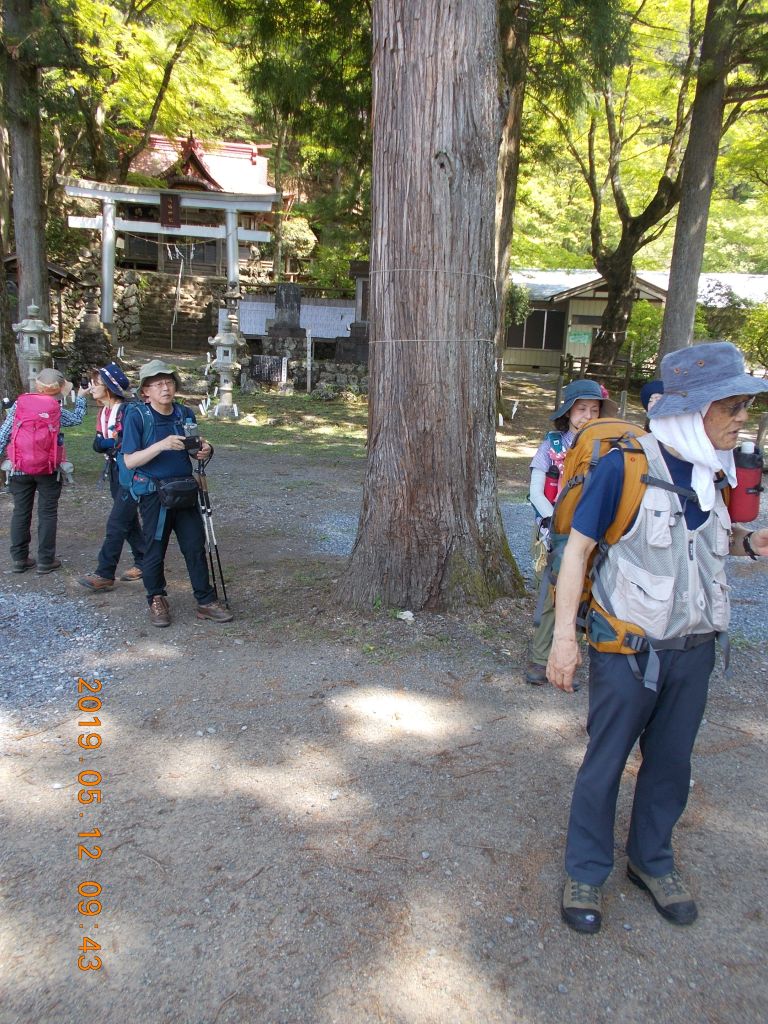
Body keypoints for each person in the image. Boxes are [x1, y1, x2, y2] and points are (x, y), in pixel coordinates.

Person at [548, 342, 768, 935]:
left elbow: (699, 548)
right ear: (693, 410)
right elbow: (579, 551)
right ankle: (585, 871)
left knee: (670, 764)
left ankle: (651, 861)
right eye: (734, 406)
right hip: (627, 651)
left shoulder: (713, 473)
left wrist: (749, 545)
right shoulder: (625, 464)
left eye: (745, 405)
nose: (744, 417)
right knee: (606, 761)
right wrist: (563, 640)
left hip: (694, 651)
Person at [121, 358, 233, 627]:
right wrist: (161, 445)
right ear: (145, 391)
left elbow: (194, 449)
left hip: (183, 490)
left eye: (169, 382)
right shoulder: (137, 416)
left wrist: (204, 450)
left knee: (195, 546)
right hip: (153, 494)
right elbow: (129, 461)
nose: (165, 388)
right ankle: (156, 598)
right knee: (154, 549)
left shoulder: (185, 414)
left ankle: (205, 601)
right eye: (157, 384)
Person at [525, 379, 617, 685]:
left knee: (583, 594)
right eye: (581, 409)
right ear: (568, 412)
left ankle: (569, 658)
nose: (587, 415)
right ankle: (540, 660)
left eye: (594, 409)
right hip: (554, 532)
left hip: (593, 535)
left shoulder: (608, 450)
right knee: (550, 595)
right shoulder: (552, 447)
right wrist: (555, 523)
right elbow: (537, 492)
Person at [0, 368, 88, 573]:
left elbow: (4, 434)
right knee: (47, 513)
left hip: (19, 468)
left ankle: (20, 559)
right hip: (48, 469)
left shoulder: (19, 405)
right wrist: (82, 398)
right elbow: (77, 419)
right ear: (58, 390)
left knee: (21, 512)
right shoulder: (55, 409)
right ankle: (46, 560)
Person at [78, 363, 145, 591]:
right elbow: (99, 444)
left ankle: (105, 573)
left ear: (108, 387)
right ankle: (144, 560)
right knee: (128, 520)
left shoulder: (127, 411)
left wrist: (109, 444)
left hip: (132, 472)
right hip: (116, 471)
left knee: (117, 522)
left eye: (96, 383)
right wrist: (109, 444)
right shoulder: (103, 412)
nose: (92, 387)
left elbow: (124, 443)